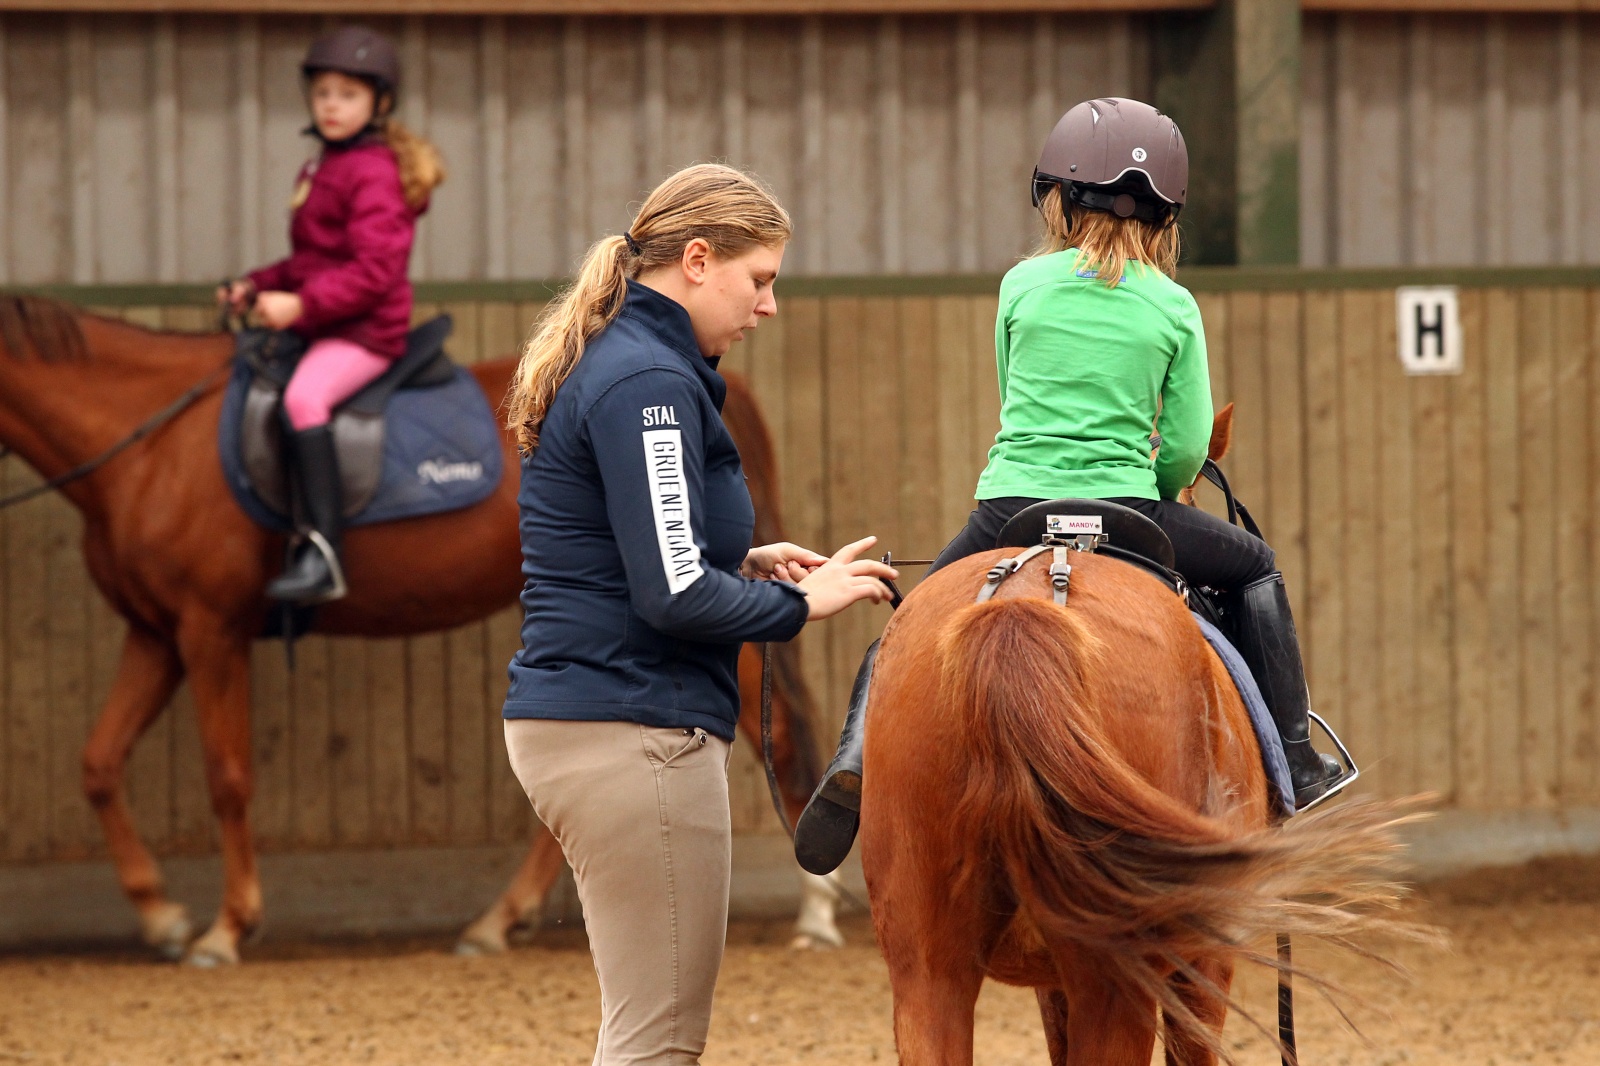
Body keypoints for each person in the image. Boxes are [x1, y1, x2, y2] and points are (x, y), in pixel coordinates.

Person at [794, 97, 1353, 876]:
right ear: (1167, 219)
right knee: (1255, 563)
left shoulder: (1021, 286)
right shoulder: (1174, 305)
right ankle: (1296, 760)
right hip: (1130, 513)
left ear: (1056, 199)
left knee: (913, 621)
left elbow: (1011, 392)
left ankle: (855, 757)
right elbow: (1189, 442)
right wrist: (1155, 481)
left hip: (1009, 511)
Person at [501, 163, 896, 1066]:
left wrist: (745, 560)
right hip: (634, 728)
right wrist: (799, 603)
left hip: (605, 720)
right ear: (697, 259)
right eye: (759, 281)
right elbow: (672, 593)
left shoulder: (638, 365)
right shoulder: (647, 383)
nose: (768, 306)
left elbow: (643, 546)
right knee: (658, 1046)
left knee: (643, 1038)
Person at [218, 25, 445, 604]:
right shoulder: (324, 164)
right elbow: (310, 262)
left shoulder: (372, 171)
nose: (332, 105)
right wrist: (256, 285)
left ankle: (324, 553)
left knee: (303, 400)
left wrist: (299, 305)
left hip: (366, 333)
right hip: (325, 324)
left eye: (347, 94)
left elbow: (375, 273)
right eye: (323, 94)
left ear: (378, 102)